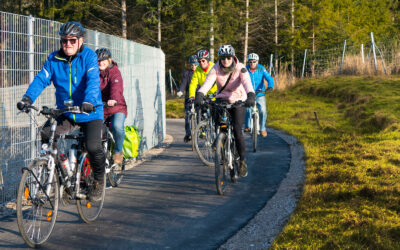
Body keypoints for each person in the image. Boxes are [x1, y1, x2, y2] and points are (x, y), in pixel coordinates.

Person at [17, 21, 105, 202]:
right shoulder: (53, 59)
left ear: (80, 41)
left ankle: (98, 181)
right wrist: (27, 99)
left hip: (89, 111)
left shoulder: (89, 57)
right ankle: (61, 177)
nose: (68, 44)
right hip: (67, 112)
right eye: (64, 41)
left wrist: (89, 100)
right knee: (46, 134)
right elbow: (42, 79)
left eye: (72, 40)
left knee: (93, 146)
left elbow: (93, 81)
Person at [195, 45, 255, 177]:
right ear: (219, 59)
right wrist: (200, 94)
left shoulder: (241, 68)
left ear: (233, 57)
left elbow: (247, 83)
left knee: (237, 130)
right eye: (223, 58)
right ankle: (221, 148)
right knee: (220, 127)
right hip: (222, 100)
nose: (226, 60)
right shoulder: (215, 68)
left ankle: (242, 161)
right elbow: (207, 83)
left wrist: (251, 95)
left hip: (238, 100)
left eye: (228, 57)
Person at [95, 48, 128, 165]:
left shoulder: (114, 72)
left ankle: (118, 152)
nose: (100, 63)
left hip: (116, 106)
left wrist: (113, 99)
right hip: (100, 108)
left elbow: (116, 87)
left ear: (109, 60)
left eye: (103, 60)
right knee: (93, 130)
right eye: (98, 60)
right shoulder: (93, 72)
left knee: (117, 126)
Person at [244, 53, 274, 137]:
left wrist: (270, 86)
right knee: (247, 110)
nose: (252, 63)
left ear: (257, 62)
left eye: (254, 62)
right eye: (250, 62)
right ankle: (247, 126)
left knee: (263, 110)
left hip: (260, 93)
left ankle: (262, 128)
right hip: (249, 94)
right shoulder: (244, 69)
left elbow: (269, 78)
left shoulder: (261, 69)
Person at [177, 55, 198, 142]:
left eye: (195, 64)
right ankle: (188, 133)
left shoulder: (200, 73)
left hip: (199, 96)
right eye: (192, 64)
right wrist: (181, 91)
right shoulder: (187, 73)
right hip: (189, 97)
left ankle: (202, 130)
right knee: (188, 115)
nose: (193, 66)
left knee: (202, 112)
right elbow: (183, 83)